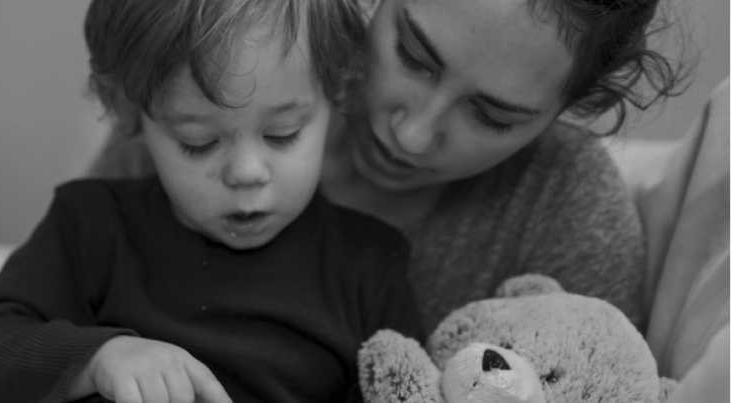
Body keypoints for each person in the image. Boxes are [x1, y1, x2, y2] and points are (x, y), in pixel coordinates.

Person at [91, 0, 688, 334]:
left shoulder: (565, 211)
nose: (412, 134)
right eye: (412, 55)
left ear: (566, 111)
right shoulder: (227, 83)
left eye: (492, 116)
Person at [0, 1, 423, 402]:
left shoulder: (369, 264)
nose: (246, 173)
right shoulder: (92, 226)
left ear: (338, 95)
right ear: (131, 115)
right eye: (199, 142)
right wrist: (99, 358)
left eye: (283, 134)